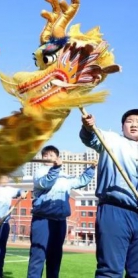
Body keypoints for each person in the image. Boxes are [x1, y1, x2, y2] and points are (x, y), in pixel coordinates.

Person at [80, 109, 138, 277]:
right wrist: (88, 127)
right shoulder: (111, 140)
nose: (134, 124)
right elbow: (89, 138)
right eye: (130, 121)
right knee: (110, 271)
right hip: (115, 210)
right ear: (122, 127)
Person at [27, 145, 96, 278]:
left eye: (51, 155)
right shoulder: (40, 172)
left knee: (55, 257)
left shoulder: (65, 176)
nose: (47, 158)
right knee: (38, 255)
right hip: (42, 219)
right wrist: (56, 168)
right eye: (45, 155)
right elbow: (46, 183)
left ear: (58, 158)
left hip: (60, 220)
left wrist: (91, 169)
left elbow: (80, 181)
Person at [0, 175, 27, 278]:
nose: (4, 179)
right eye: (2, 177)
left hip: (4, 225)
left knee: (1, 251)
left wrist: (22, 193)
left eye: (6, 177)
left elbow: (21, 190)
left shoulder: (10, 190)